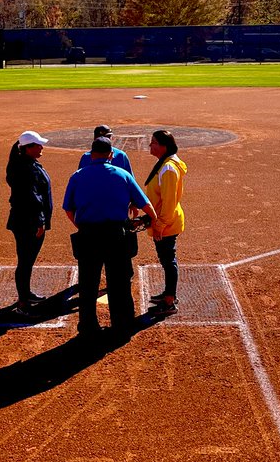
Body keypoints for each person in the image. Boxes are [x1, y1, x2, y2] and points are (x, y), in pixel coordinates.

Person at [63, 137, 155, 340]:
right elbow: (147, 207)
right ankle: (121, 324)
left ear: (91, 154)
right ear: (111, 155)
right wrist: (151, 220)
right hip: (117, 236)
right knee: (119, 282)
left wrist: (82, 226)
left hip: (88, 235)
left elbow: (68, 209)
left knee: (88, 283)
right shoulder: (122, 174)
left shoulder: (77, 176)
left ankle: (88, 326)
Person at [6, 129, 52, 314]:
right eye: (38, 145)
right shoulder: (27, 169)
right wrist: (40, 222)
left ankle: (26, 294)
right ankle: (23, 304)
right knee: (25, 261)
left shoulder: (23, 163)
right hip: (28, 223)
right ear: (28, 148)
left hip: (24, 221)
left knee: (27, 261)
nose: (42, 147)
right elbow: (33, 198)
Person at [145, 129, 187, 316]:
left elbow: (169, 202)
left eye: (153, 142)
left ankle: (169, 301)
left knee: (168, 260)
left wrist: (160, 225)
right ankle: (168, 294)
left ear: (163, 147)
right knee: (166, 259)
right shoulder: (165, 164)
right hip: (164, 221)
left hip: (166, 223)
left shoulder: (168, 169)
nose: (150, 145)